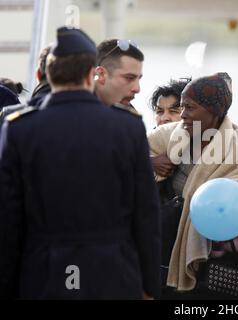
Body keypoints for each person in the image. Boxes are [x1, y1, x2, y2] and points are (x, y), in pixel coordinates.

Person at [0, 26, 161, 299]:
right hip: (113, 275)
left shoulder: (19, 129)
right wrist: (149, 286)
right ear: (91, 74)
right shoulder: (127, 127)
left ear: (46, 74)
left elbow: (8, 221)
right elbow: (145, 215)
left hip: (42, 275)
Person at [148, 72, 238, 299]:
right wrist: (151, 162)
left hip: (217, 266)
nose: (184, 115)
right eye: (183, 107)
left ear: (213, 111)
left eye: (190, 108)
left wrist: (236, 204)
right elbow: (126, 155)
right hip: (167, 256)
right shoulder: (172, 135)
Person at [95, 39, 143, 112]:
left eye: (138, 79)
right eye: (129, 78)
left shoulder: (129, 116)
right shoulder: (76, 113)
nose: (137, 89)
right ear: (101, 74)